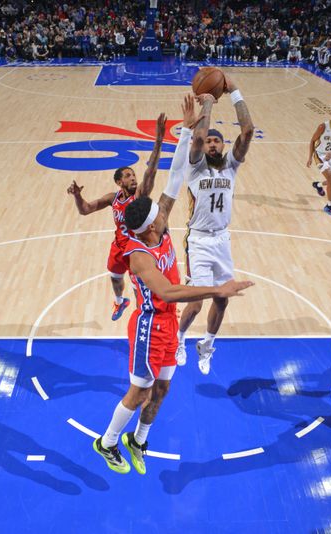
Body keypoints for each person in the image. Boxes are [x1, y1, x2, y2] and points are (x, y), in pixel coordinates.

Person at [93, 95, 254, 475]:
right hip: (149, 324)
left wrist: (183, 132)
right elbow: (166, 292)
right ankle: (108, 441)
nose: (167, 214)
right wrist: (216, 289)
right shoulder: (139, 256)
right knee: (140, 391)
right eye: (161, 216)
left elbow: (176, 177)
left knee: (163, 389)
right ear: (151, 227)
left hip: (167, 324)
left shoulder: (155, 220)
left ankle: (139, 439)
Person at [176, 75, 254, 375]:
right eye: (208, 140)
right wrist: (207, 101)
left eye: (216, 140)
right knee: (194, 303)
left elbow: (247, 131)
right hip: (198, 241)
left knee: (222, 300)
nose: (210, 143)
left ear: (223, 145)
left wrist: (234, 90)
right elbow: (195, 139)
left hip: (222, 240)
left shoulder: (231, 166)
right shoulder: (195, 168)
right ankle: (180, 340)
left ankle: (206, 346)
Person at [67, 113, 166, 321]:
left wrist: (158, 140)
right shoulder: (113, 198)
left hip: (137, 248)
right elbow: (85, 209)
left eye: (134, 175)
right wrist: (78, 195)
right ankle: (120, 302)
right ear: (119, 182)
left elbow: (151, 172)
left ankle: (145, 314)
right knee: (115, 277)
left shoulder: (140, 194)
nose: (133, 178)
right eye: (128, 176)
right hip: (118, 245)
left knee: (141, 285)